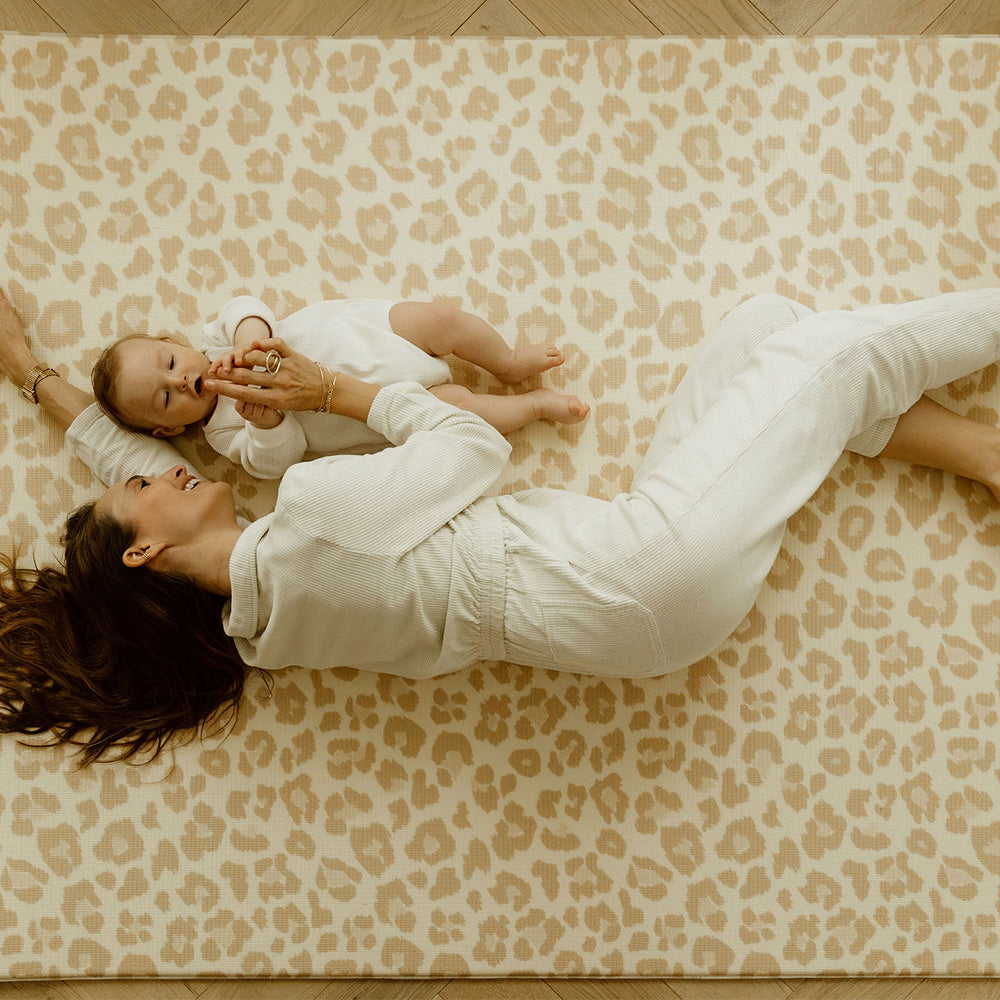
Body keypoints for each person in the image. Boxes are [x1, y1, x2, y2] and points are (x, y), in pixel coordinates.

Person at [3, 286, 1000, 765]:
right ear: (148, 545)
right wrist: (339, 390)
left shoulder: (261, 627)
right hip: (636, 569)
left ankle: (980, 457)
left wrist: (33, 375)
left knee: (764, 329)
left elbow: (141, 463)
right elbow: (480, 452)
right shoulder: (306, 520)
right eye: (143, 489)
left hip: (627, 599)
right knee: (824, 356)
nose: (168, 466)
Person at [90, 295, 589, 478]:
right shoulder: (223, 432)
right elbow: (276, 462)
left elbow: (247, 305)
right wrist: (268, 424)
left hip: (374, 334)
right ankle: (534, 404)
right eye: (166, 397)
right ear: (164, 431)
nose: (179, 379)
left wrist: (252, 339)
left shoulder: (221, 341)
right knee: (460, 410)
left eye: (170, 361)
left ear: (174, 341)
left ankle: (505, 362)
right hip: (384, 404)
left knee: (442, 318)